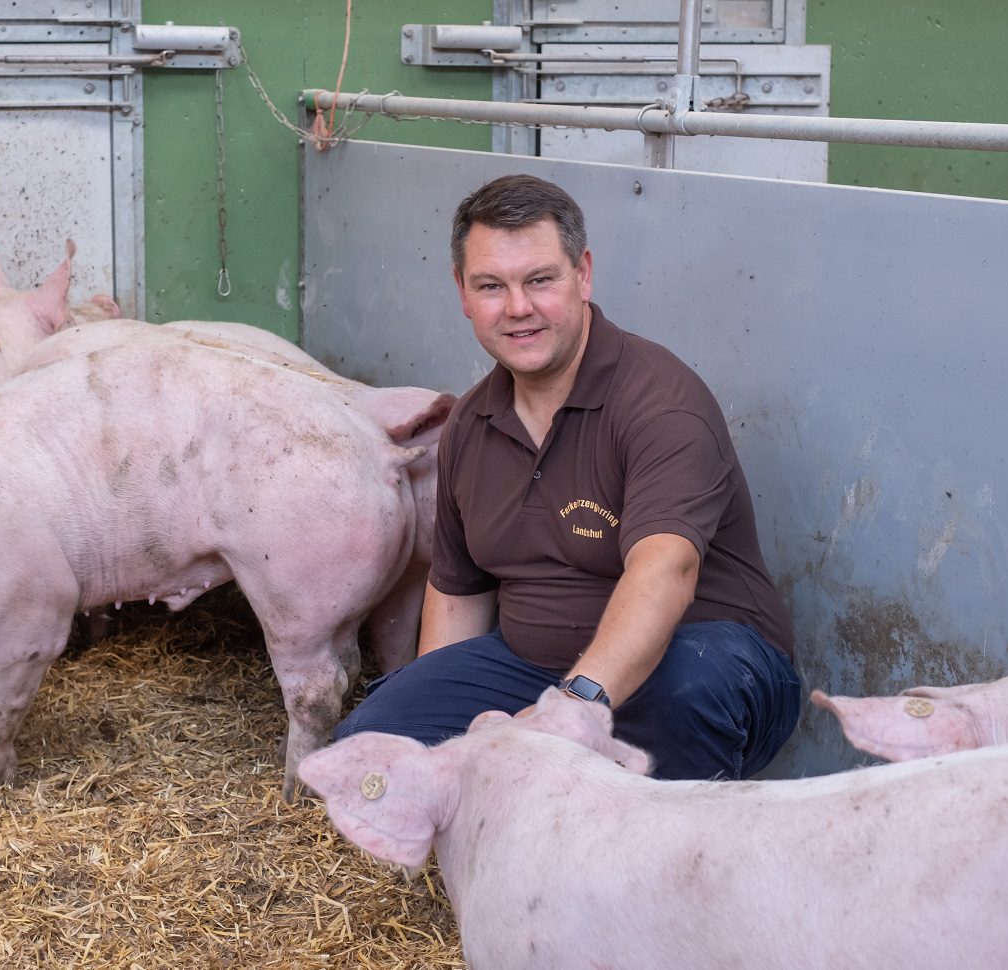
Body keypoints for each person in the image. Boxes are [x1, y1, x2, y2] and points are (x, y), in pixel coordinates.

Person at [333, 173, 800, 780]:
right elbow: (458, 594)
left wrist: (573, 710)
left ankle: (673, 852)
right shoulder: (473, 422)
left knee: (679, 695)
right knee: (376, 742)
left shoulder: (659, 403)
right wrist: (443, 742)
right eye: (491, 286)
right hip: (537, 668)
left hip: (700, 660)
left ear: (582, 274)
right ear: (462, 292)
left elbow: (667, 569)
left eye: (540, 280)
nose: (518, 307)